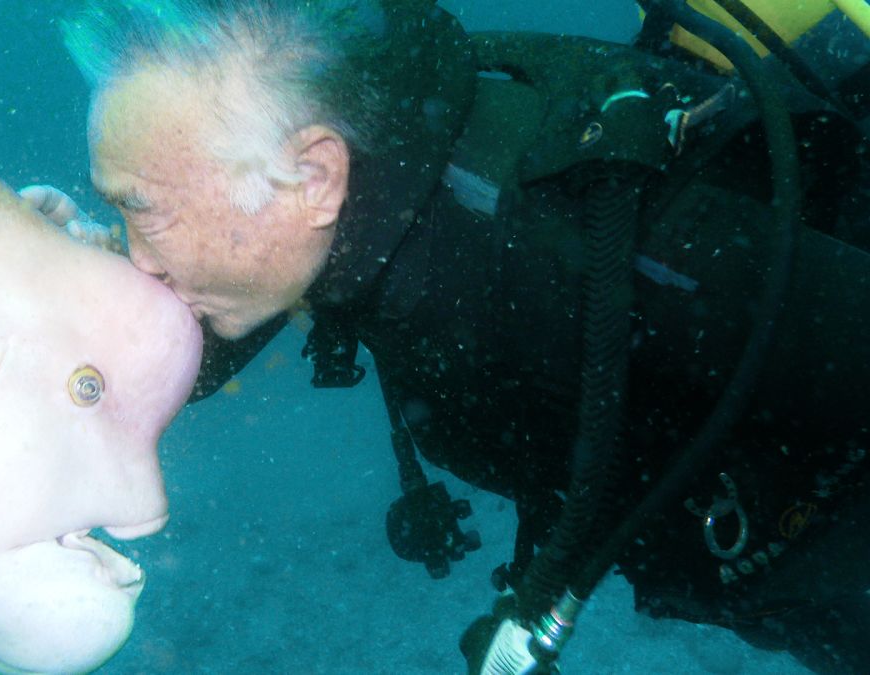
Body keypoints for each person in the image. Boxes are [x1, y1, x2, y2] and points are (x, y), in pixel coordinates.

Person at [47, 0, 870, 672]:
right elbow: (178, 336)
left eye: (143, 209)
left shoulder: (566, 241)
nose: (138, 259)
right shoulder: (366, 173)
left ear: (312, 178)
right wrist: (48, 279)